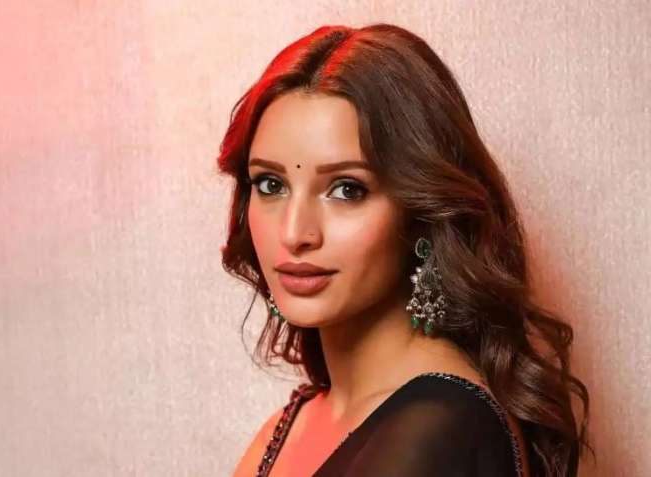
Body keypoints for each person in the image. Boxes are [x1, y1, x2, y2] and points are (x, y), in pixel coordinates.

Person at [216, 23, 592, 477]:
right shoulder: (298, 420)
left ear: (421, 212)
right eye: (271, 184)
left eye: (347, 189)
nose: (295, 232)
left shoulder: (441, 428)